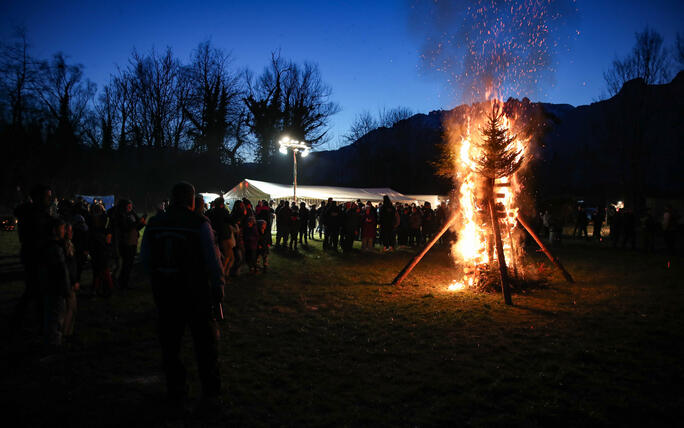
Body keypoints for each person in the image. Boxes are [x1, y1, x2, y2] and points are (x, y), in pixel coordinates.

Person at [140, 182, 225, 413]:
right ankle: (210, 393)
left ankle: (176, 390)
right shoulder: (199, 224)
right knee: (205, 344)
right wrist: (218, 285)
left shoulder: (155, 223)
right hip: (194, 291)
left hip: (166, 292)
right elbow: (212, 258)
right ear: (191, 200)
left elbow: (145, 258)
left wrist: (157, 279)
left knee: (170, 344)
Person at [12, 184, 54, 332]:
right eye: (47, 196)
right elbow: (36, 234)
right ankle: (37, 321)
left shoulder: (36, 212)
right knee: (36, 288)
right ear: (38, 198)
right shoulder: (34, 214)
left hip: (37, 253)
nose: (50, 199)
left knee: (35, 288)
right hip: (35, 254)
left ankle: (27, 318)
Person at [42, 217, 71, 351]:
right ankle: (53, 345)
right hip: (55, 288)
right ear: (54, 230)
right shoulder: (54, 248)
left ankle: (54, 342)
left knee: (55, 315)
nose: (65, 231)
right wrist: (65, 288)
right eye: (62, 228)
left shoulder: (54, 246)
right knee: (55, 316)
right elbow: (60, 270)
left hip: (53, 287)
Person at [116, 199, 146, 289]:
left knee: (130, 263)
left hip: (133, 241)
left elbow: (137, 227)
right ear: (124, 206)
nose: (130, 207)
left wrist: (142, 223)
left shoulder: (132, 214)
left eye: (131, 206)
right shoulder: (121, 216)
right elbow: (126, 228)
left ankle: (125, 282)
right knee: (126, 263)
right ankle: (123, 283)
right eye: (128, 206)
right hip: (126, 243)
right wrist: (138, 223)